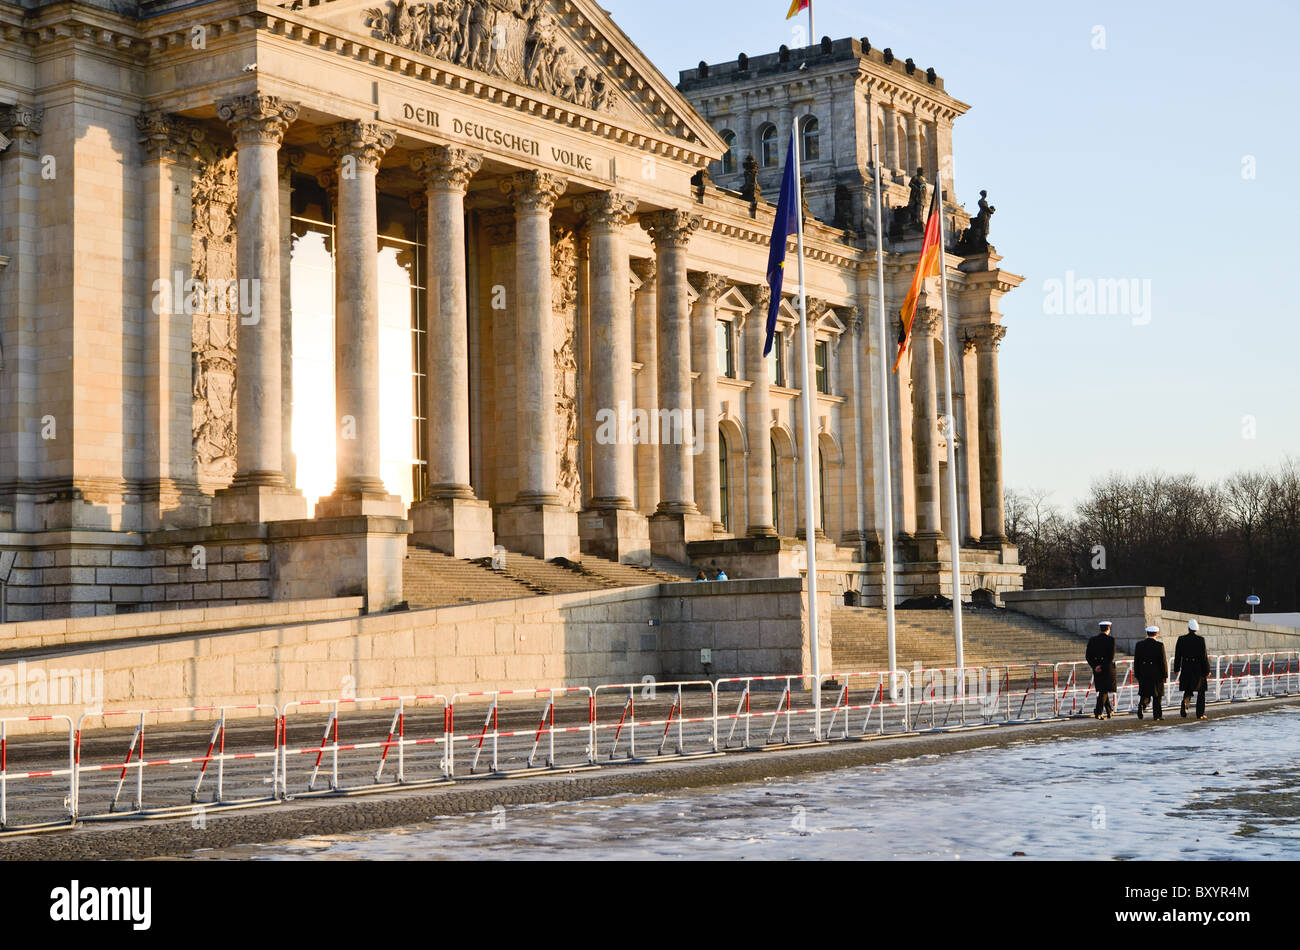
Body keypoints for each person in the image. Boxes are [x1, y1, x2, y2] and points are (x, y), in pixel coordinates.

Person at [1174, 618, 1211, 720]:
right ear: (1196, 629)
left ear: (1188, 628)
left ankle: (1185, 701)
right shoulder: (1200, 640)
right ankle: (1200, 714)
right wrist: (1207, 670)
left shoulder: (1181, 639)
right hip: (1198, 668)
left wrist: (1176, 668)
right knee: (1201, 691)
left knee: (1188, 688)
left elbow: (1177, 655)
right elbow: (1204, 657)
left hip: (1186, 667)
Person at [1133, 625, 1168, 720]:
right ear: (1156, 633)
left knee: (1145, 693)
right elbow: (1163, 661)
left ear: (1147, 633)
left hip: (1143, 673)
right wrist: (1165, 675)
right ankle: (1157, 715)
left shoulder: (1139, 645)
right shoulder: (1159, 645)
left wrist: (1137, 674)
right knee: (1157, 695)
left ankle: (1142, 706)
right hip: (1157, 674)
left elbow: (1136, 661)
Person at [1085, 620, 1117, 719]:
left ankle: (1109, 711)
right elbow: (1111, 656)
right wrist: (1102, 666)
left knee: (1103, 690)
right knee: (1104, 690)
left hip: (1097, 669)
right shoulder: (1111, 640)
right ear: (1108, 628)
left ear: (1100, 628)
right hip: (1107, 669)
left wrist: (1095, 666)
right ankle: (1098, 712)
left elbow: (1088, 656)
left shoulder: (1092, 640)